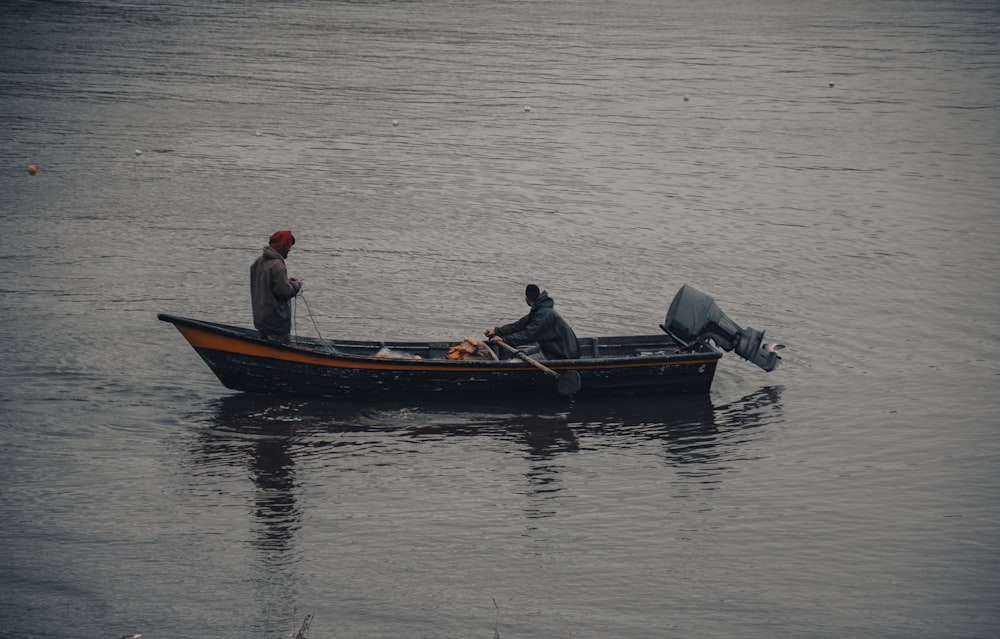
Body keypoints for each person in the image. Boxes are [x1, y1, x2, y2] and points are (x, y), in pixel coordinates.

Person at [485, 284, 580, 359]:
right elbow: (518, 326)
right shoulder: (539, 310)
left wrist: (504, 340)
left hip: (561, 353)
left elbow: (528, 335)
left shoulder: (544, 313)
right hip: (550, 348)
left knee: (517, 361)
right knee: (522, 353)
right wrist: (497, 331)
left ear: (526, 298)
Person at [250, 230, 302, 344]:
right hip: (276, 323)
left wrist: (287, 281)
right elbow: (284, 292)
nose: (289, 249)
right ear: (282, 245)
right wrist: (295, 285)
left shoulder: (258, 262)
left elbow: (268, 285)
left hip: (261, 320)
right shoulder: (277, 264)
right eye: (288, 245)